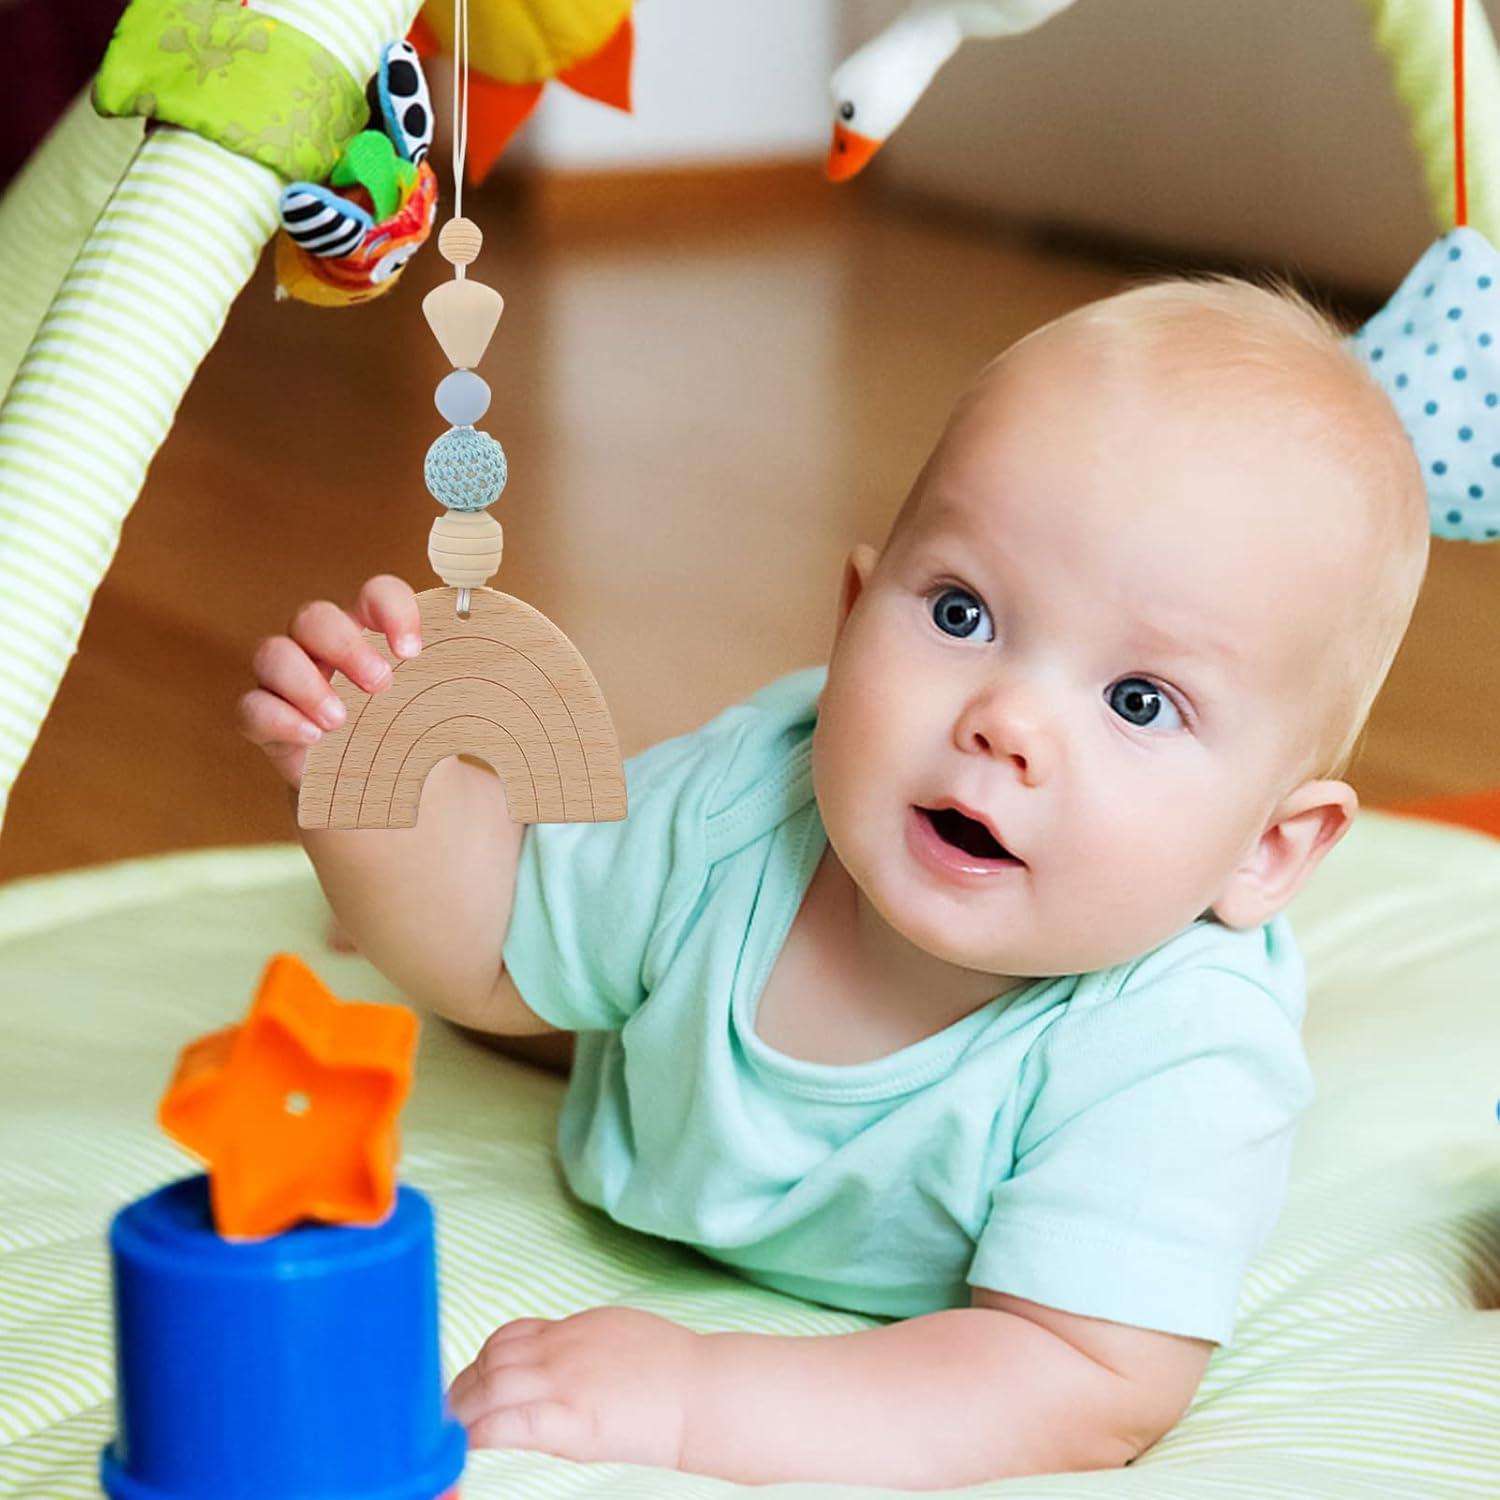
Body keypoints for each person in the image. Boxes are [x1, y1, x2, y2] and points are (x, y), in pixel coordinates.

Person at [238, 273, 1429, 1487]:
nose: (1006, 719)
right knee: (530, 966)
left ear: (1264, 849)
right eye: (961, 613)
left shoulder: (1178, 1048)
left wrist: (699, 1398)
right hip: (669, 1040)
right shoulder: (748, 799)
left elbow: (1082, 1385)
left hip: (991, 1289)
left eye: (1140, 701)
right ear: (855, 614)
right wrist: (375, 790)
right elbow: (493, 948)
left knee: (592, 970)